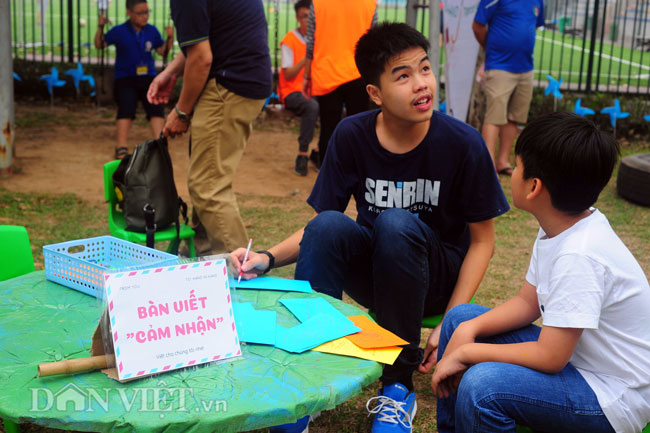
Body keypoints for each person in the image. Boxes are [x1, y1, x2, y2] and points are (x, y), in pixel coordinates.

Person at [231, 23, 509, 433]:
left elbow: (483, 242)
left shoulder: (463, 143)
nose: (421, 84)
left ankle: (397, 390)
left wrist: (453, 321)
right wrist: (267, 258)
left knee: (395, 222)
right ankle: (309, 383)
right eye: (403, 75)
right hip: (381, 270)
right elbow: (317, 226)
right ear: (375, 94)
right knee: (329, 225)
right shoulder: (351, 135)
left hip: (438, 276)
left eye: (425, 69)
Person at [433, 112, 650, 433]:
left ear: (534, 186)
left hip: (612, 396)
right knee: (460, 319)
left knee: (483, 387)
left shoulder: (580, 255)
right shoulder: (559, 225)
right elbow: (527, 303)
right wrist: (470, 330)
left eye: (517, 167)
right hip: (580, 363)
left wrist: (468, 352)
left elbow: (551, 357)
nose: (512, 174)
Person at [147, 0, 271, 256]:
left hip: (229, 84)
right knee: (208, 176)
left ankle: (241, 274)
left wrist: (182, 112)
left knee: (208, 186)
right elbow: (203, 39)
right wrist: (171, 72)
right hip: (245, 79)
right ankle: (203, 255)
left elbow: (202, 59)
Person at [472, 0, 544, 176]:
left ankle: (502, 162)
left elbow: (533, 26)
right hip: (499, 66)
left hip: (526, 67)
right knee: (494, 116)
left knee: (514, 117)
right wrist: (491, 49)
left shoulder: (538, 1)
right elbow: (477, 26)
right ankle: (487, 164)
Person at [94, 0, 173, 159]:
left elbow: (161, 51)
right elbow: (99, 44)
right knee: (126, 109)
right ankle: (121, 147)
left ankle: (160, 145)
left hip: (149, 77)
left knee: (155, 109)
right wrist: (100, 27)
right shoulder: (119, 31)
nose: (145, 16)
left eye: (147, 12)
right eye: (141, 13)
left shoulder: (152, 31)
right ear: (129, 13)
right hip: (125, 77)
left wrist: (170, 38)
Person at [303, 0, 376, 166]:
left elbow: (310, 45)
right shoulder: (369, 4)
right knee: (359, 128)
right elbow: (374, 44)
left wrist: (306, 77)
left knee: (328, 128)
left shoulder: (318, 4)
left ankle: (327, 173)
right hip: (358, 73)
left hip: (327, 73)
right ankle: (357, 171)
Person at [279, 0, 320, 176]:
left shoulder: (321, 39)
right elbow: (288, 74)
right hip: (292, 91)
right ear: (297, 18)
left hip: (315, 89)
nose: (308, 21)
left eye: (311, 17)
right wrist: (307, 56)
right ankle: (302, 154)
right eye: (304, 17)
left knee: (330, 102)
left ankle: (320, 151)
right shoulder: (290, 40)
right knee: (312, 106)